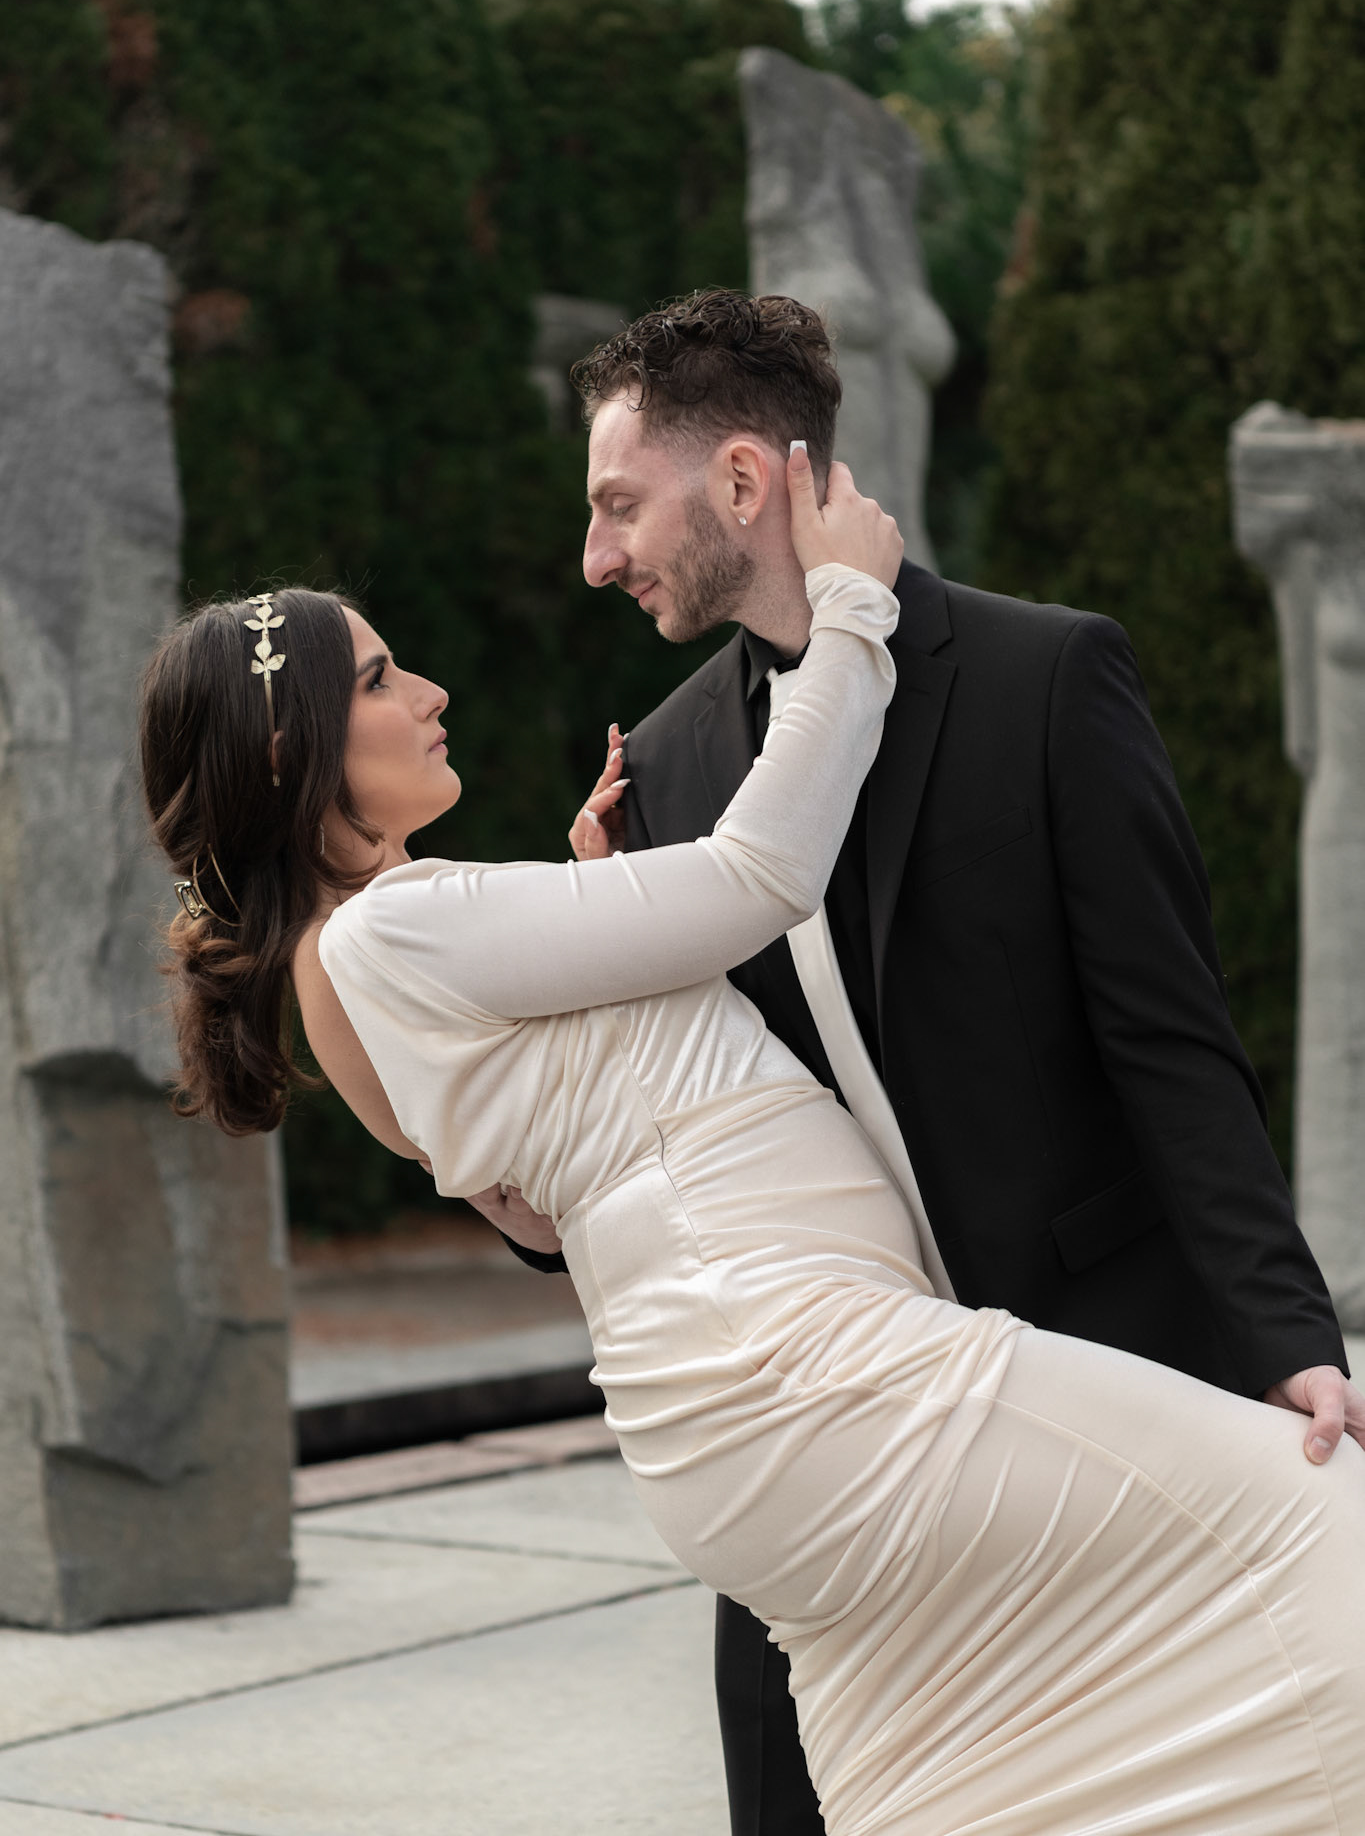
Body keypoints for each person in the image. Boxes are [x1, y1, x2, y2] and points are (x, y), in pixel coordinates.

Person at [139, 473, 1365, 1835]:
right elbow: (757, 878)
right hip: (804, 1371)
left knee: (946, 1782)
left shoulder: (347, 968)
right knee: (1314, 1528)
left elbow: (543, 1212)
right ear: (287, 753)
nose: (427, 691)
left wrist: (594, 908)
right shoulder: (393, 932)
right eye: (378, 679)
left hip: (732, 1424)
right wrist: (851, 613)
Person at [487, 287, 1363, 1836]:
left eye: (618, 504)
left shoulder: (1049, 678)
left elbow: (1172, 1046)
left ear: (742, 481)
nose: (596, 557)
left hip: (1101, 1385)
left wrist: (1287, 1333)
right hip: (833, 1440)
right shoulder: (669, 764)